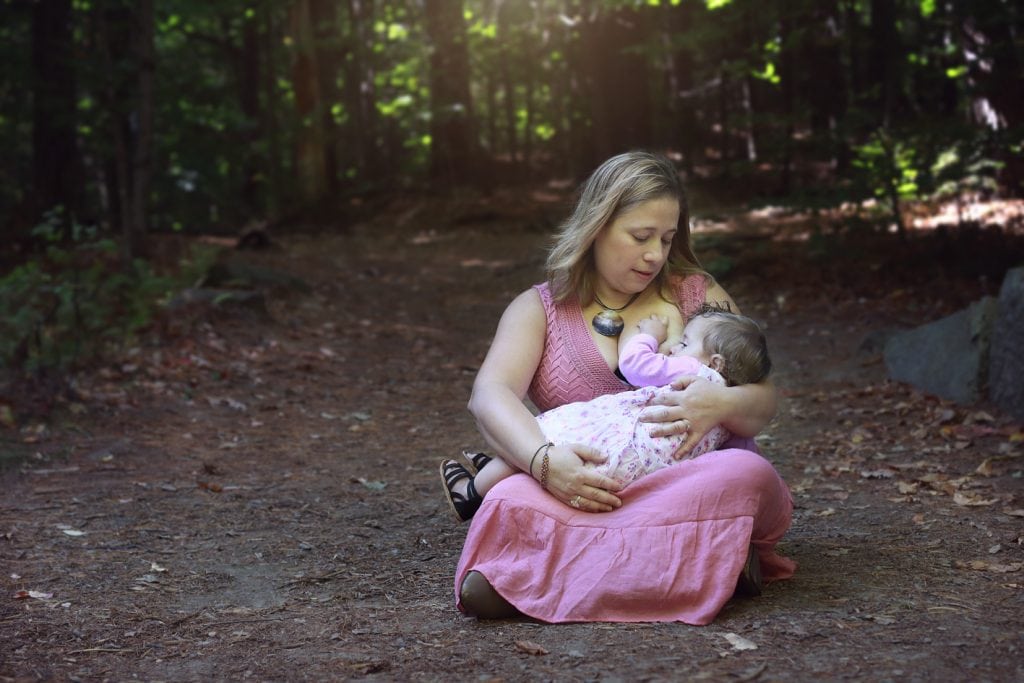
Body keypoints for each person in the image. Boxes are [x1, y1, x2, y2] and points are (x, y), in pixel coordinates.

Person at [446, 150, 795, 624]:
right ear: (597, 226)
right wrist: (545, 464)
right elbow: (489, 395)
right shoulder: (540, 310)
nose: (655, 254)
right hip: (585, 493)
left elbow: (765, 397)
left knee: (744, 473)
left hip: (686, 486)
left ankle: (537, 583)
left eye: (668, 239)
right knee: (510, 494)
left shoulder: (696, 295)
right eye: (640, 236)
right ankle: (706, 562)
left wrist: (722, 403)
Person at [440, 306, 772, 516]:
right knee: (540, 451)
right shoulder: (727, 411)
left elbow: (636, 366)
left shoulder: (699, 376)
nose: (676, 347)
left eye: (684, 344)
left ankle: (471, 492)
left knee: (547, 435)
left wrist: (649, 338)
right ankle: (506, 465)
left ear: (716, 363)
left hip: (620, 447)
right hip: (651, 473)